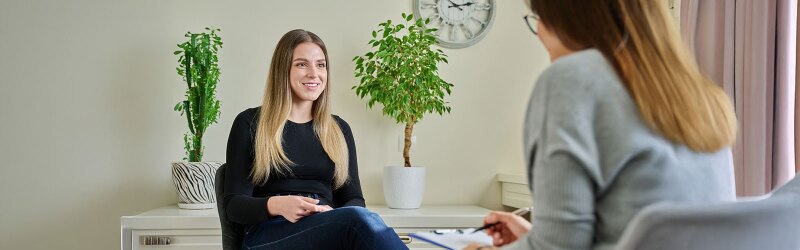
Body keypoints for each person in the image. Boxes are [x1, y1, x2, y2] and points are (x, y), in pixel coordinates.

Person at [468, 0, 738, 249]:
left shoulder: (570, 79)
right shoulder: (701, 95)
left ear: (573, 16)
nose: (538, 32)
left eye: (541, 17)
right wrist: (534, 238)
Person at [224, 29, 408, 250]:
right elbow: (234, 205)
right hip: (269, 233)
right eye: (302, 64)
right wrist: (280, 205)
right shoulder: (250, 123)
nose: (314, 73)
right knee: (357, 222)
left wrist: (335, 215)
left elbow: (354, 199)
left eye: (321, 65)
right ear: (283, 70)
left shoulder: (338, 129)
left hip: (327, 226)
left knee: (360, 218)